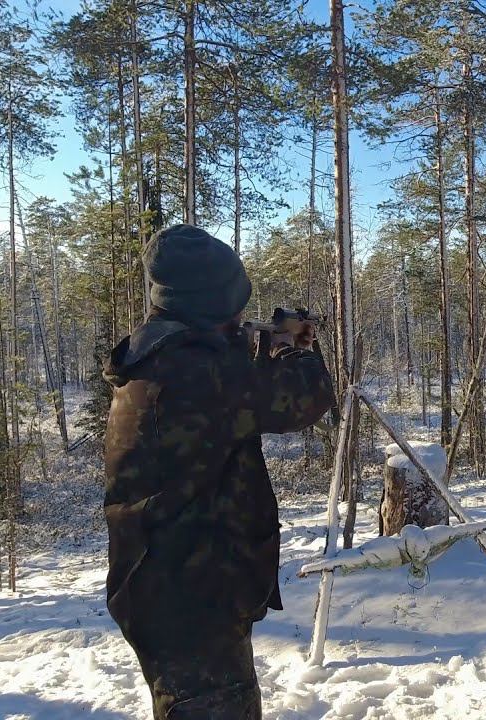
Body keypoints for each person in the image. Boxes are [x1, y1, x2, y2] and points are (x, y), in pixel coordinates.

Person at [102, 224, 334, 719]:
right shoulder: (195, 370)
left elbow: (233, 401)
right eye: (233, 306)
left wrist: (252, 347)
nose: (238, 318)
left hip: (173, 587)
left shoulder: (157, 355)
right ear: (211, 304)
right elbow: (305, 398)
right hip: (189, 600)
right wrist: (292, 347)